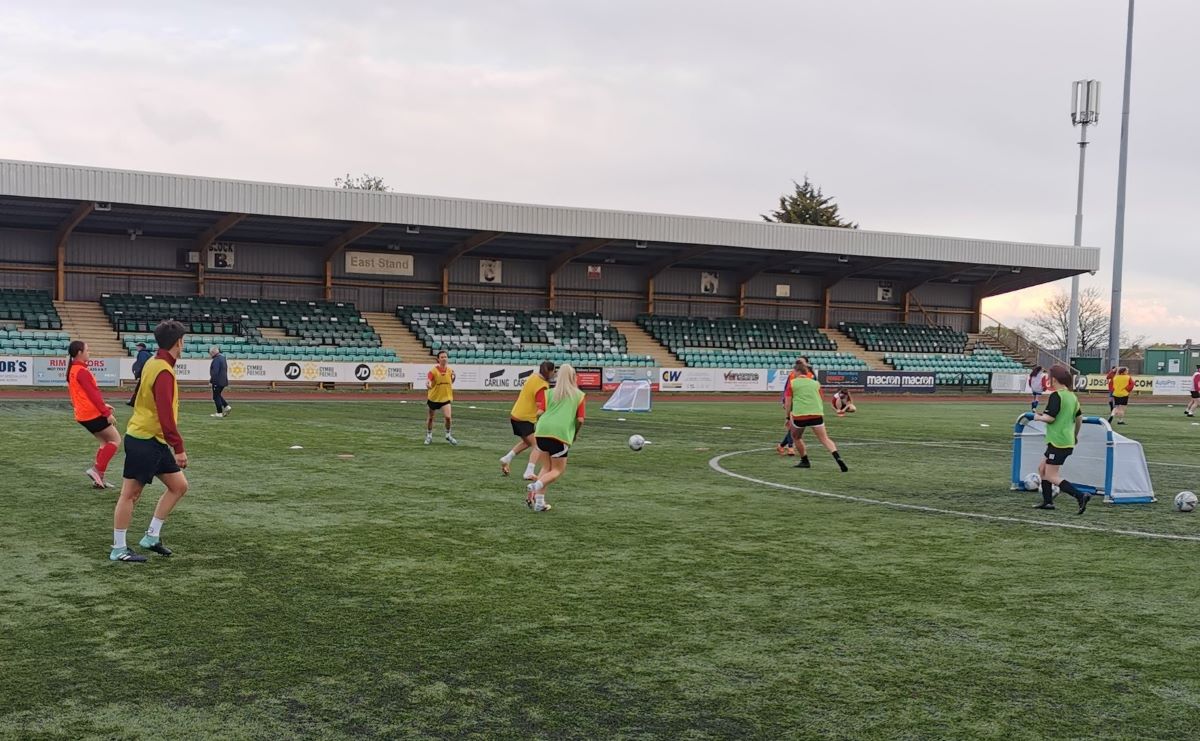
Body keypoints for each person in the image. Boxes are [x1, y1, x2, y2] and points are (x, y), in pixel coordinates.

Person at [109, 320, 190, 562]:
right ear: (179, 342)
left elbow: (137, 396)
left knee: (179, 486)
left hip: (151, 438)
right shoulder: (163, 369)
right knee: (130, 495)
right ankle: (118, 548)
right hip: (145, 440)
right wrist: (179, 448)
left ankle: (151, 536)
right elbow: (165, 414)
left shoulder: (153, 362)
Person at [526, 364, 587, 512]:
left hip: (542, 431)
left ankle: (539, 502)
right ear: (573, 377)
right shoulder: (579, 395)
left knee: (546, 467)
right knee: (557, 470)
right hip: (559, 434)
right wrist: (575, 434)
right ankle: (536, 486)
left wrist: (540, 425)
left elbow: (540, 413)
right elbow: (580, 420)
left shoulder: (550, 393)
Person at [1032, 364, 1091, 514]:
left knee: (1051, 475)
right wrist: (1075, 435)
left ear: (1054, 379)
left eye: (1049, 378)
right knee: (1042, 468)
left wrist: (1037, 417)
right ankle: (1048, 502)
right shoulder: (1072, 396)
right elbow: (1079, 418)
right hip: (1064, 440)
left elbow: (1050, 418)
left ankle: (1080, 495)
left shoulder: (1056, 395)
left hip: (1058, 441)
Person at [67, 341, 120, 489]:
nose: (89, 352)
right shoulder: (82, 371)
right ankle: (97, 470)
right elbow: (93, 393)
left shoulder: (73, 370)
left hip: (82, 414)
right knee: (115, 440)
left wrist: (103, 405)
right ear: (79, 352)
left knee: (104, 442)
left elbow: (81, 394)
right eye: (87, 350)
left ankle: (99, 478)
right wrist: (106, 412)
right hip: (91, 414)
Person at [784, 360, 848, 472]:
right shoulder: (816, 383)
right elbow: (821, 398)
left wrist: (788, 417)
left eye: (793, 371)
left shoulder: (793, 383)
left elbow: (788, 403)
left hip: (800, 415)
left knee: (796, 437)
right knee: (825, 438)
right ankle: (838, 458)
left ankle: (805, 460)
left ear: (797, 372)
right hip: (816, 414)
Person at [501, 361, 554, 480]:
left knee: (528, 442)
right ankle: (529, 471)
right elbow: (540, 407)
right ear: (549, 371)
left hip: (515, 415)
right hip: (525, 418)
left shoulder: (533, 376)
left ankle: (507, 458)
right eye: (553, 371)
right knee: (538, 445)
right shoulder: (542, 386)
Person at [776, 357, 812, 456]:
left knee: (796, 427)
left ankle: (782, 445)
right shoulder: (792, 375)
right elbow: (787, 388)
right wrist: (784, 401)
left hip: (803, 403)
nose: (799, 362)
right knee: (793, 426)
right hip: (793, 402)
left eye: (802, 361)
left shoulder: (810, 375)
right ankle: (790, 447)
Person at [425, 350, 457, 445]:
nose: (444, 359)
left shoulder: (450, 371)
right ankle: (429, 435)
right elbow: (428, 379)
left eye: (445, 357)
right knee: (431, 418)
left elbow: (451, 381)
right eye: (442, 357)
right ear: (438, 359)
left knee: (448, 417)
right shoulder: (433, 371)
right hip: (434, 398)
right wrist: (428, 384)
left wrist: (453, 379)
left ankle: (448, 435)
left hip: (445, 398)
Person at [126, 342, 151, 406]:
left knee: (138, 389)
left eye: (137, 346)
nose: (136, 347)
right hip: (149, 374)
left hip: (145, 374)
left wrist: (137, 373)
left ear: (140, 347)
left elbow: (141, 363)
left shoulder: (141, 353)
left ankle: (133, 402)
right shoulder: (149, 354)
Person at [209, 346, 230, 418]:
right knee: (218, 395)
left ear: (213, 352)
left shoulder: (216, 359)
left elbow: (215, 372)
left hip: (217, 381)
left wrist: (212, 381)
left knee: (215, 396)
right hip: (223, 380)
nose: (210, 355)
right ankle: (226, 406)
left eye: (210, 353)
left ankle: (219, 412)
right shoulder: (223, 358)